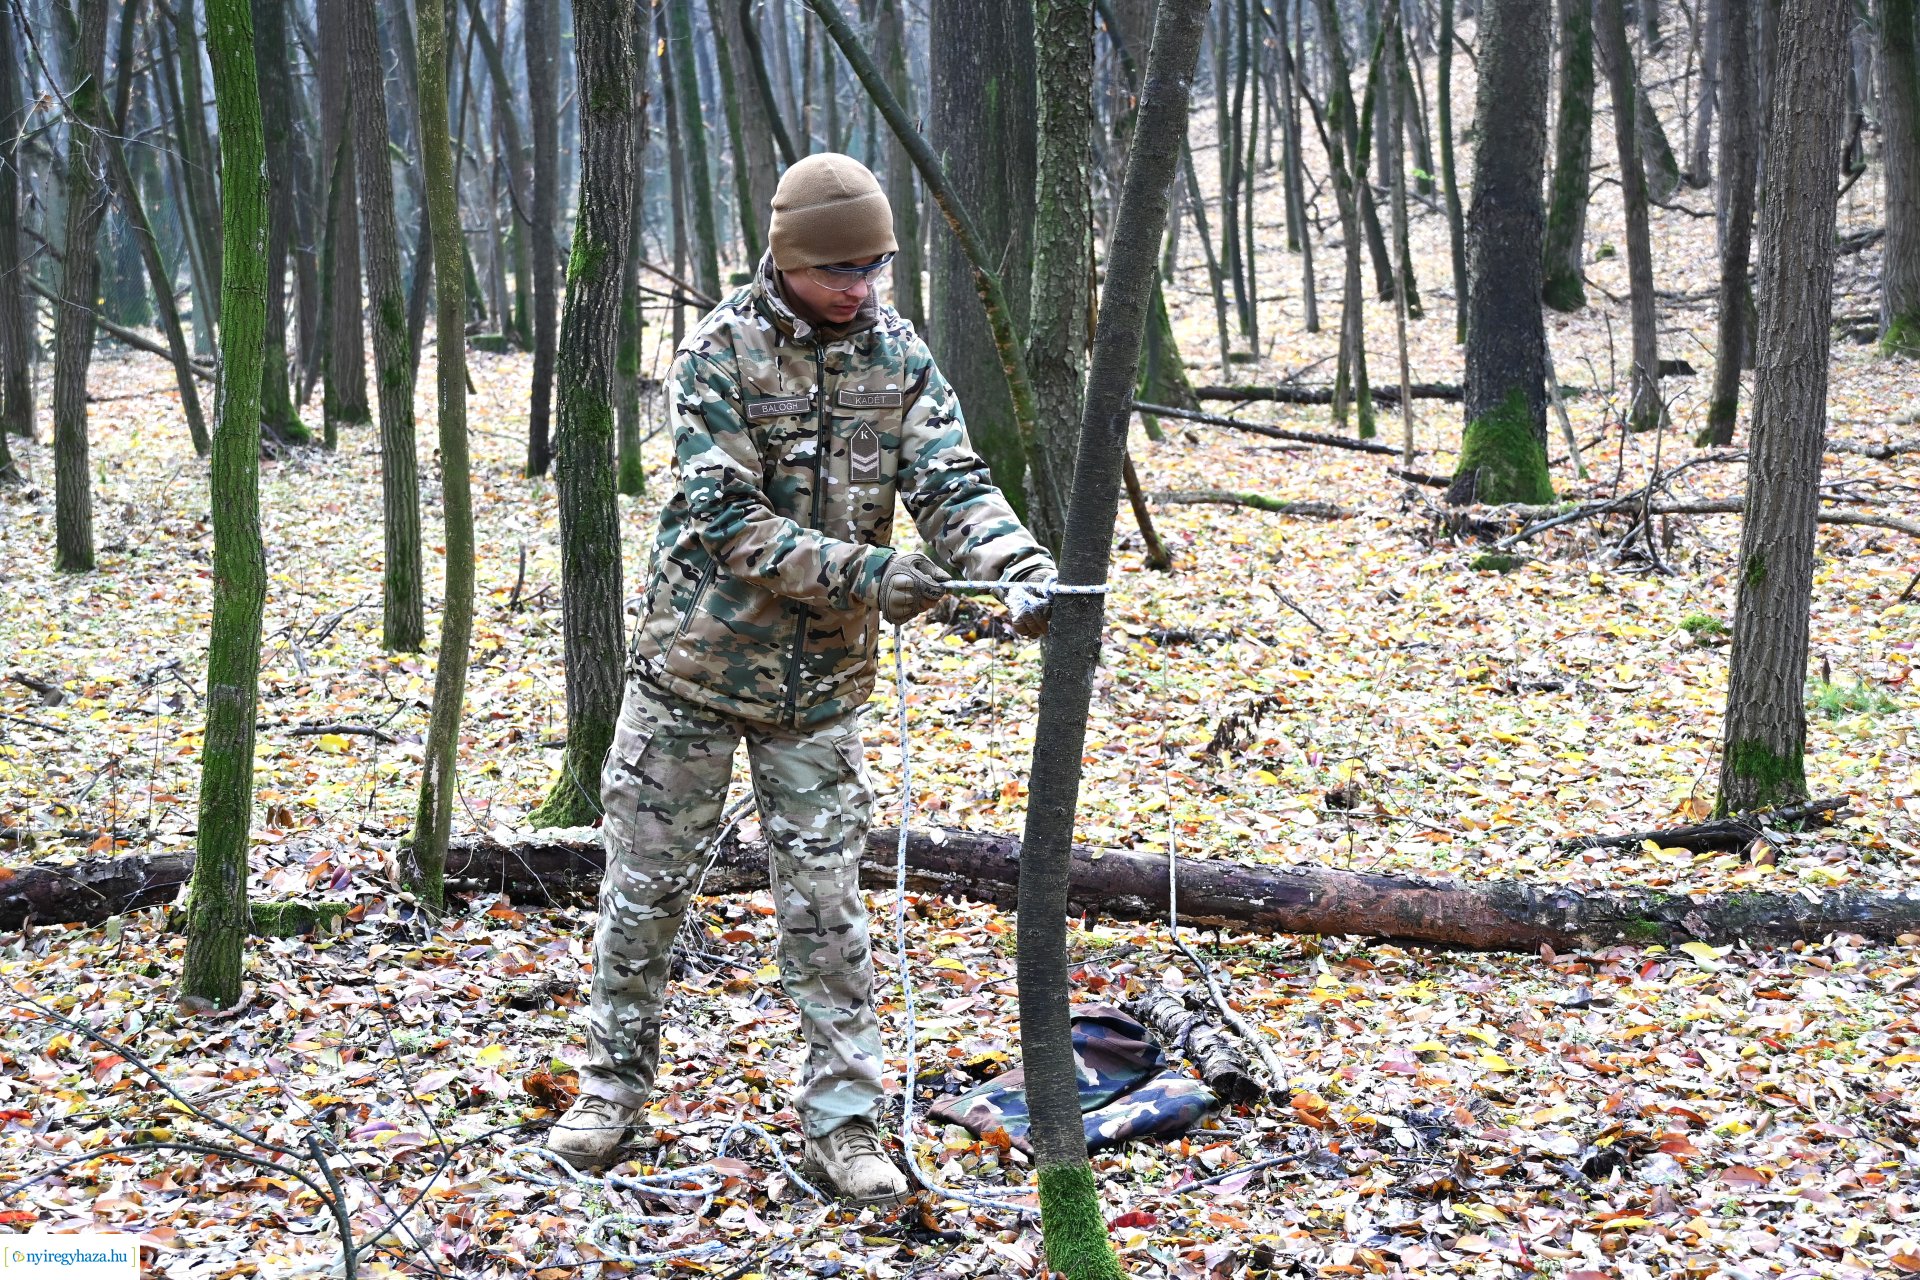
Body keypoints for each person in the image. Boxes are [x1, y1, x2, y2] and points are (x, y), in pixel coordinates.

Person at [546, 154, 1058, 1204]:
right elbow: (725, 520)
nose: (858, 287)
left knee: (826, 913)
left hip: (820, 692)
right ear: (785, 260)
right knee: (644, 897)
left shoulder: (899, 355)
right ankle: (609, 1093)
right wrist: (867, 574)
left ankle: (845, 1122)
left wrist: (1014, 563)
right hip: (691, 676)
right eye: (837, 269)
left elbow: (952, 482)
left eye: (874, 266)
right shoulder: (717, 352)